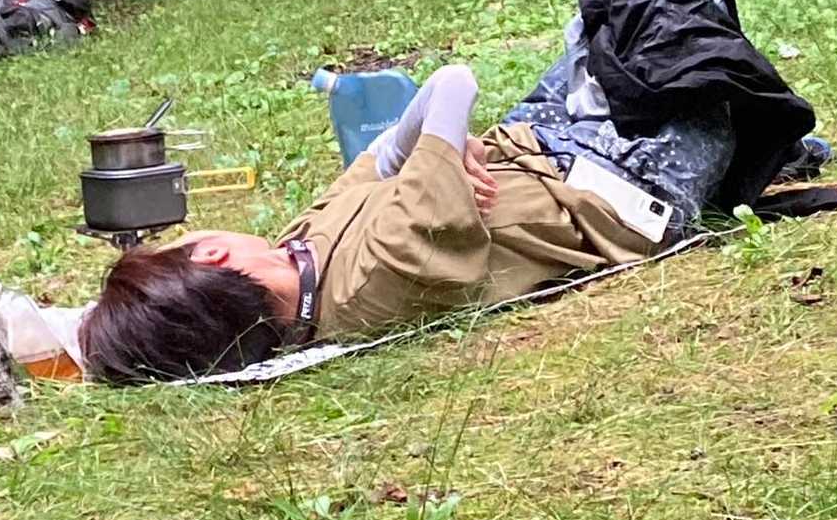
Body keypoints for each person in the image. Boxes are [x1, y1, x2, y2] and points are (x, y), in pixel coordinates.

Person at [81, 63, 717, 384]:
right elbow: (452, 83)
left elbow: (385, 154)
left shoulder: (300, 255)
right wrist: (440, 139)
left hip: (541, 138)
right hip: (626, 180)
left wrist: (440, 146)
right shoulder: (379, 273)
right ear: (211, 257)